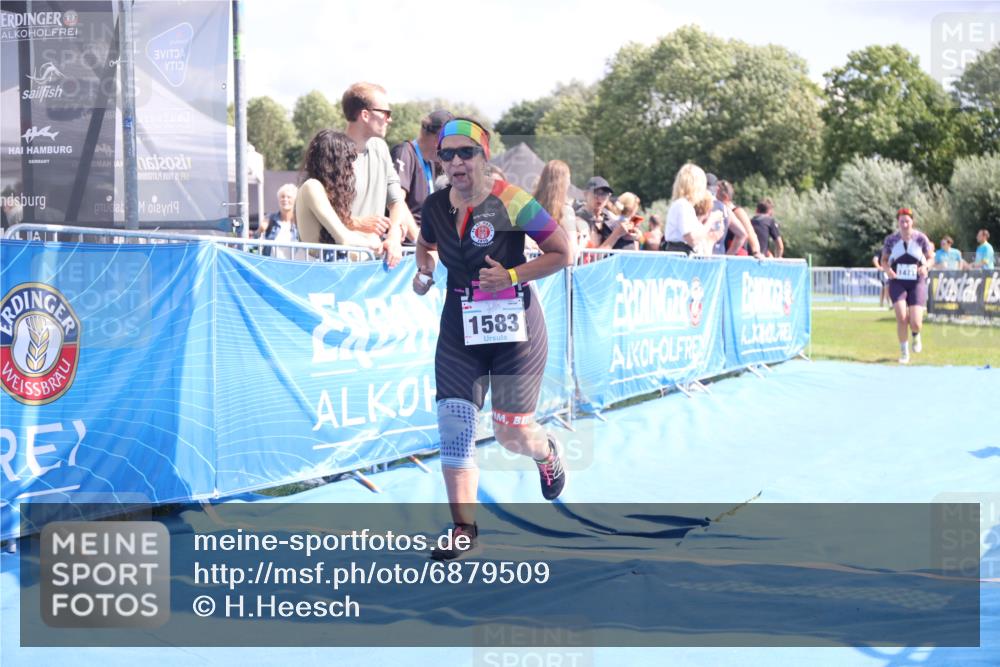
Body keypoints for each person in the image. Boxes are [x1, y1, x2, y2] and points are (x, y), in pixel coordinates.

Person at [412, 118, 572, 560]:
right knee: (455, 426)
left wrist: (513, 275)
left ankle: (545, 451)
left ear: (485, 157)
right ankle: (464, 528)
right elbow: (424, 246)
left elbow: (564, 252)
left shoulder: (513, 201)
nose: (457, 162)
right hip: (459, 327)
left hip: (514, 328)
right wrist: (424, 270)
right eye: (448, 155)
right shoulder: (436, 205)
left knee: (510, 432)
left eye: (467, 153)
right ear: (440, 161)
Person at [340, 82, 410, 265]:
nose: (390, 119)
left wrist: (393, 236)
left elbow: (396, 201)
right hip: (334, 264)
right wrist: (356, 223)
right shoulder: (330, 152)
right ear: (365, 115)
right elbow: (316, 212)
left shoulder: (380, 147)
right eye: (386, 113)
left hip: (370, 263)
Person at [295, 130, 383, 255]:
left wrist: (371, 239)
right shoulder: (312, 187)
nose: (352, 167)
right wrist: (374, 244)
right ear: (335, 163)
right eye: (348, 161)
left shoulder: (321, 189)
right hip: (314, 269)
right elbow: (344, 238)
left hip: (324, 267)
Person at [881, 207, 933, 364]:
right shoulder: (891, 240)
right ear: (898, 222)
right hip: (897, 281)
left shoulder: (921, 238)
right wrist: (888, 270)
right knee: (901, 316)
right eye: (901, 221)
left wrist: (925, 267)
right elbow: (884, 260)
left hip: (916, 282)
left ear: (912, 222)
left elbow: (931, 258)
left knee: (916, 322)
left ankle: (916, 335)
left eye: (907, 221)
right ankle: (904, 352)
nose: (904, 224)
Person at [390, 109, 454, 236]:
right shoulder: (404, 152)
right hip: (406, 247)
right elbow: (397, 200)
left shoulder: (430, 163)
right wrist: (417, 239)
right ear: (438, 139)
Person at [531, 159, 578, 261]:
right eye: (569, 179)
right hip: (556, 269)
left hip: (532, 267)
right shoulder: (566, 210)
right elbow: (573, 249)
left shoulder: (530, 207)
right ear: (564, 182)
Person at [661, 163, 712, 255]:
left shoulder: (683, 205)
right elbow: (692, 239)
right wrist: (711, 221)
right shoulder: (683, 205)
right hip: (680, 258)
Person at [715, 180, 762, 257]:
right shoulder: (719, 213)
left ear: (725, 197)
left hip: (737, 257)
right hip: (725, 254)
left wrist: (756, 252)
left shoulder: (737, 212)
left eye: (717, 197)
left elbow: (750, 233)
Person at [574, 176, 621, 249]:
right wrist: (617, 234)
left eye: (604, 194)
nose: (599, 198)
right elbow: (592, 255)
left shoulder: (609, 217)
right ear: (585, 194)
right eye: (595, 193)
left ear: (609, 197)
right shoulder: (578, 219)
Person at [259, 183, 299, 259]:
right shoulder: (270, 218)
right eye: (282, 196)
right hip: (272, 266)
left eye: (289, 197)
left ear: (295, 200)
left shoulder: (299, 221)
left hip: (293, 266)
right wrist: (260, 230)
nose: (285, 199)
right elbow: (256, 239)